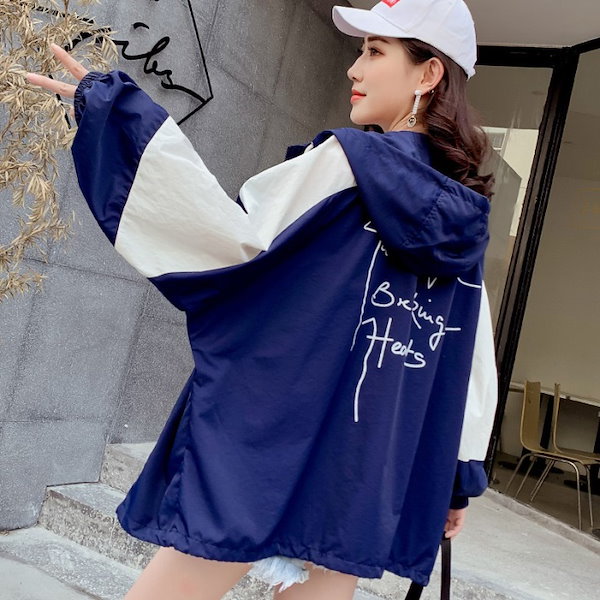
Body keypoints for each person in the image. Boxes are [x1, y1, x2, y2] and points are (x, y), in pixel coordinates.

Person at [23, 0, 498, 599]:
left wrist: (118, 120)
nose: (354, 68)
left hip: (275, 442)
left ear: (428, 74)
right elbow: (469, 356)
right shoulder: (467, 222)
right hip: (365, 462)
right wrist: (457, 478)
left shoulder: (346, 164)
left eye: (376, 51)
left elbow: (228, 239)